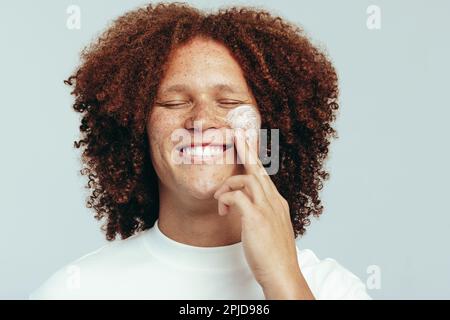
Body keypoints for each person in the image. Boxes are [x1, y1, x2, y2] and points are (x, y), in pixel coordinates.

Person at [30, 2, 371, 300]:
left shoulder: (330, 288)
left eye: (229, 102)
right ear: (138, 130)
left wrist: (283, 281)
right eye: (174, 102)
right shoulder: (75, 291)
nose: (201, 121)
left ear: (271, 134)